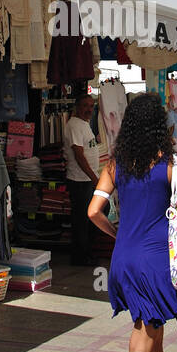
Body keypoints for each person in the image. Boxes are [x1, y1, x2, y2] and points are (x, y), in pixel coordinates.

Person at [88, 93, 177, 352]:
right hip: (154, 262)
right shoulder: (171, 164)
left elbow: (93, 211)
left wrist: (118, 234)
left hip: (123, 260)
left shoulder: (117, 163)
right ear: (159, 125)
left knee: (154, 335)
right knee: (141, 342)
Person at [65, 92, 102, 266]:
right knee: (82, 220)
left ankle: (86, 253)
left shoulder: (84, 124)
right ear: (77, 107)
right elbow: (79, 156)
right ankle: (80, 256)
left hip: (87, 180)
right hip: (79, 181)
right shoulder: (74, 125)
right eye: (85, 106)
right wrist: (95, 179)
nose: (89, 109)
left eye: (91, 106)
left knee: (89, 218)